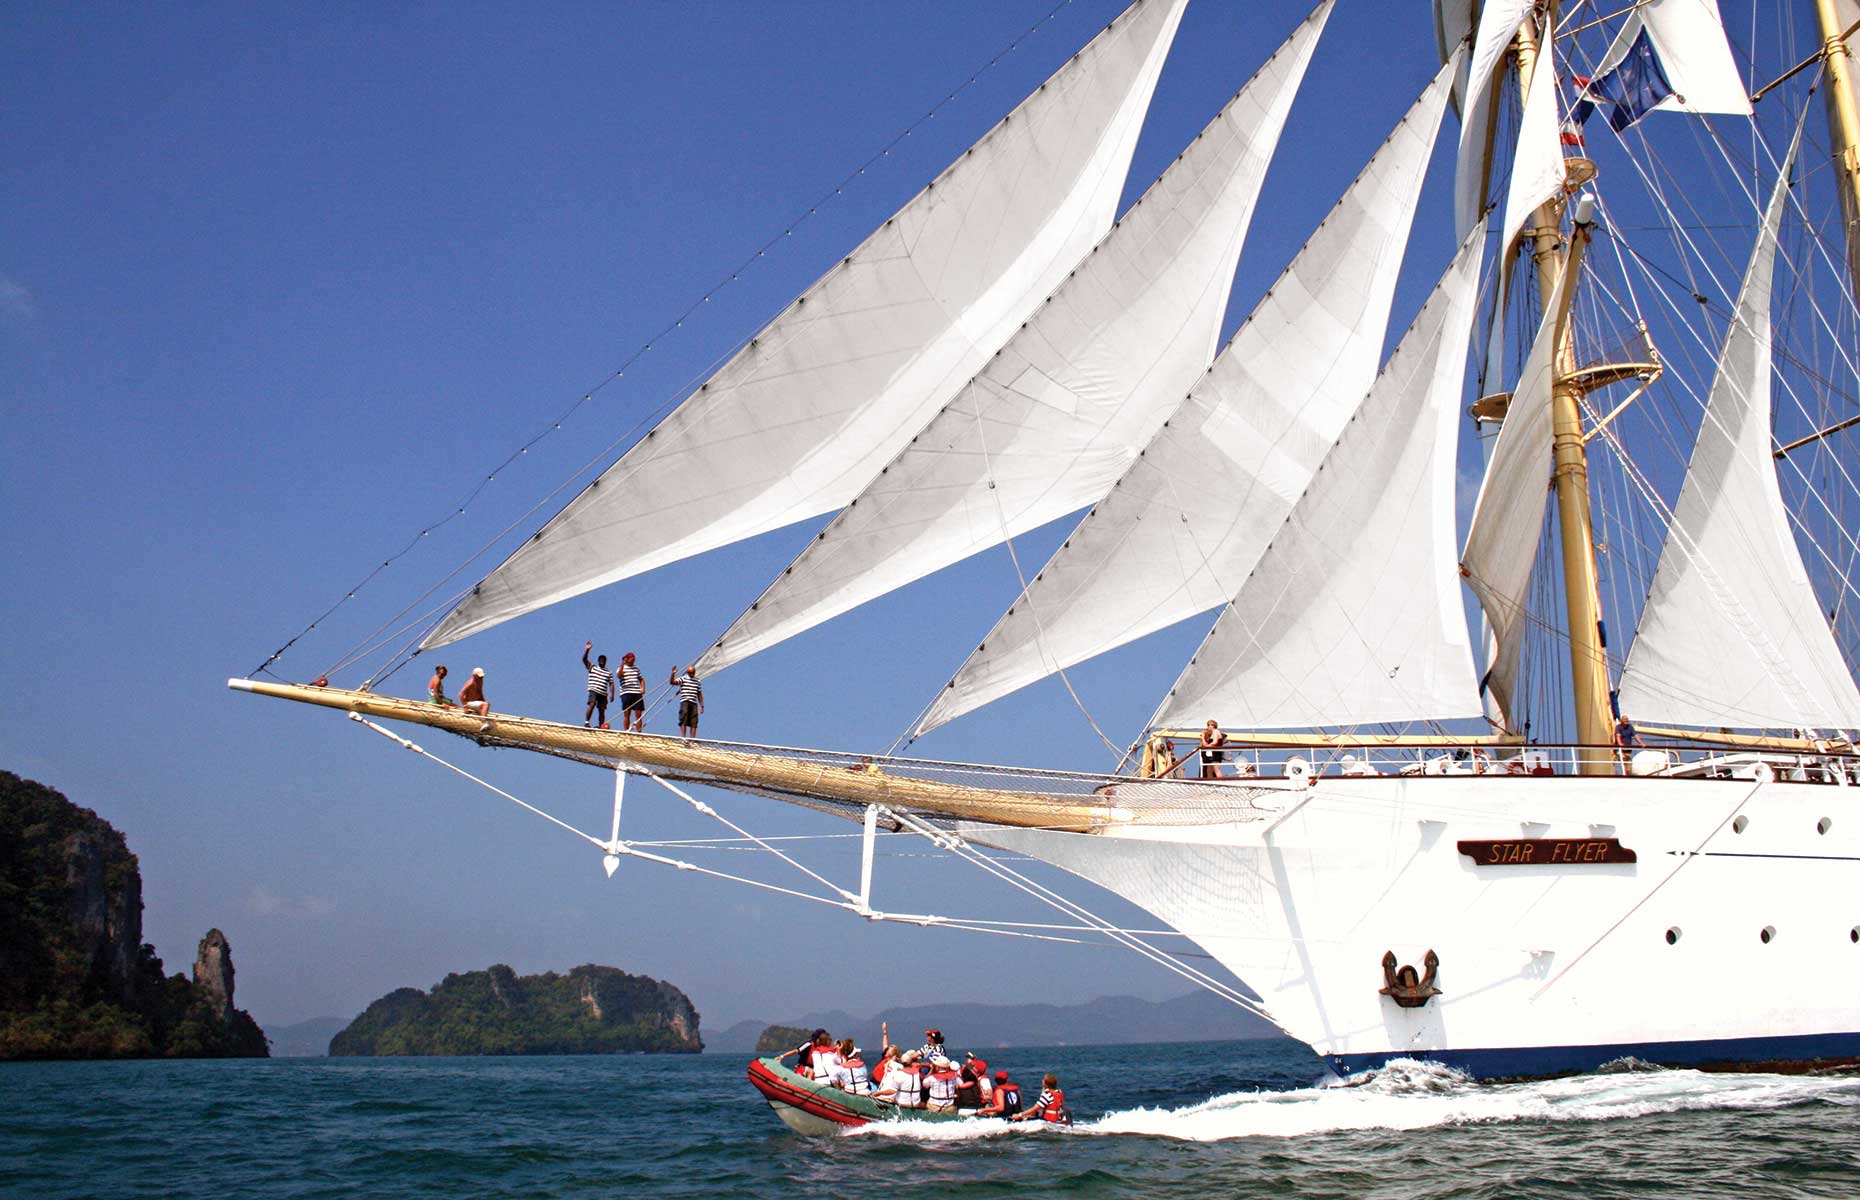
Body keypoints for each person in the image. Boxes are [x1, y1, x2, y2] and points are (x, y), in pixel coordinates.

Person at [583, 642, 614, 728]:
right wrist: (587, 650)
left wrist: (612, 694)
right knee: (592, 704)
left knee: (602, 710)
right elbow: (584, 660)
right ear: (598, 661)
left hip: (603, 693)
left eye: (604, 661)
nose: (602, 662)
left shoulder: (608, 672)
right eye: (601, 660)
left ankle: (601, 725)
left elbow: (611, 683)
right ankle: (587, 722)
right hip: (594, 690)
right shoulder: (593, 667)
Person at [670, 665, 704, 739]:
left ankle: (692, 739)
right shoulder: (684, 678)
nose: (691, 674)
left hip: (693, 702)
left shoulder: (697, 681)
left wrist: (701, 705)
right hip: (685, 701)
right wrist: (673, 674)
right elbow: (673, 682)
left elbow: (699, 693)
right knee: (684, 717)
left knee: (694, 721)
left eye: (692, 672)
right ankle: (683, 737)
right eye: (690, 672)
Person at [616, 653, 645, 732]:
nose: (633, 660)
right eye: (632, 659)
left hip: (636, 692)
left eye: (634, 659)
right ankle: (626, 730)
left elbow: (641, 679)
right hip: (626, 692)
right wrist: (622, 663)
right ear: (627, 659)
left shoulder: (636, 668)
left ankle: (639, 731)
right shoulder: (621, 668)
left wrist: (642, 688)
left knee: (638, 713)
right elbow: (619, 675)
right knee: (627, 713)